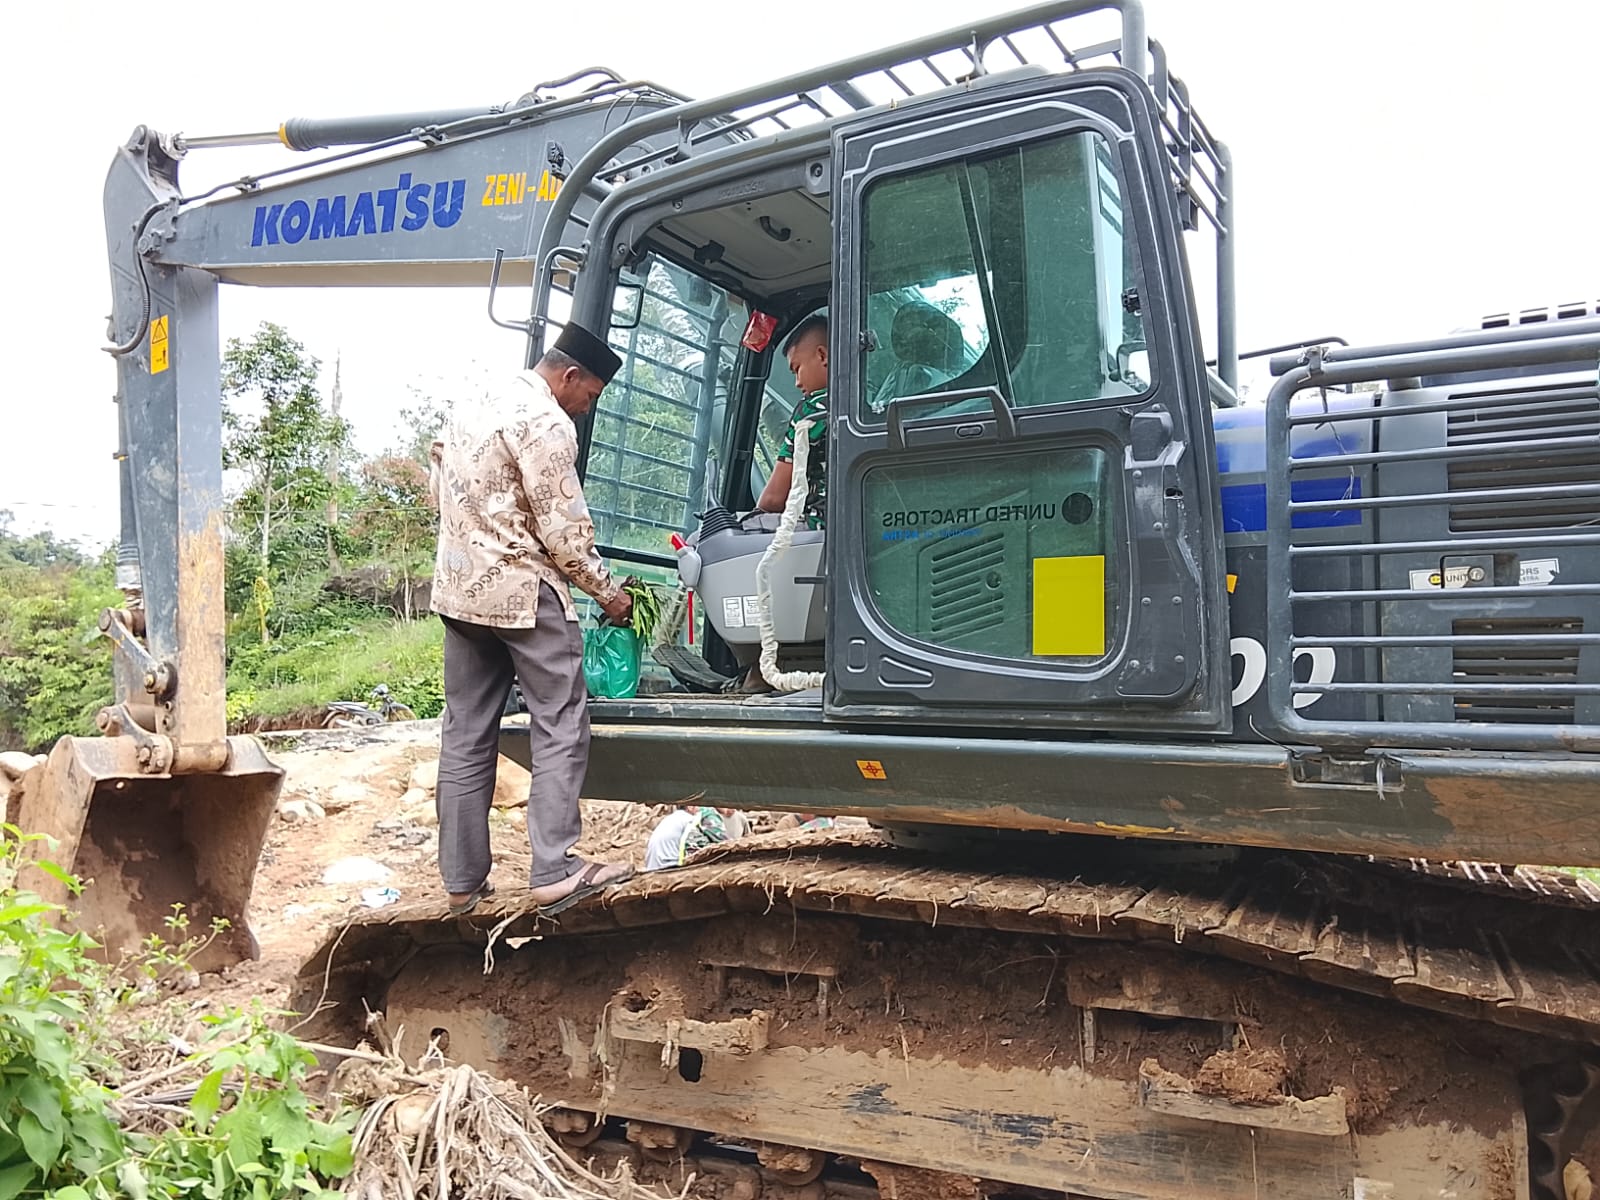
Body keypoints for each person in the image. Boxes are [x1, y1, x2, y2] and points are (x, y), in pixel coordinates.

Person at [428, 322, 637, 917]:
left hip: (460, 595)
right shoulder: (547, 421)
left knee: (466, 733)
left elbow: (440, 488)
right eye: (590, 394)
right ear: (570, 376)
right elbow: (564, 531)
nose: (586, 407)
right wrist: (609, 593)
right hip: (525, 594)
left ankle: (462, 882)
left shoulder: (470, 404)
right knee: (560, 722)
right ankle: (555, 868)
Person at [757, 314, 829, 530]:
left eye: (797, 369)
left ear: (822, 355)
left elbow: (773, 500)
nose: (797, 382)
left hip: (818, 528)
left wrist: (752, 519)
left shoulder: (811, 410)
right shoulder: (865, 404)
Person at [644, 804, 751, 871]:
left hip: (654, 866)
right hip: (670, 865)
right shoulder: (701, 815)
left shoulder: (673, 818)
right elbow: (722, 841)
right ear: (691, 806)